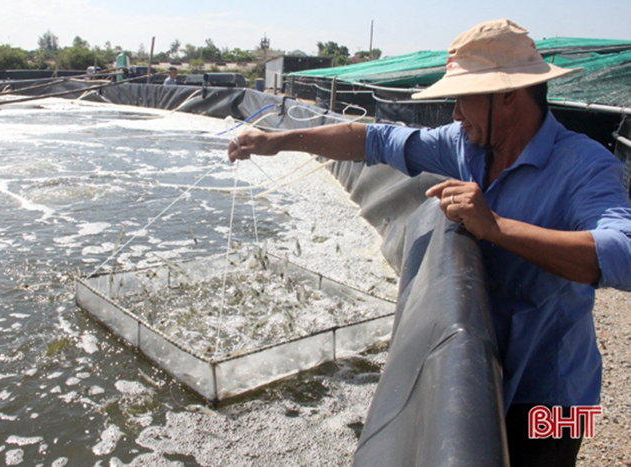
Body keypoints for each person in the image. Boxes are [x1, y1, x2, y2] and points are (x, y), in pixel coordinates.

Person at [227, 19, 631, 466]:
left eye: (463, 98)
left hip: (558, 395)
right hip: (488, 367)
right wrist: (277, 140)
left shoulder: (584, 165)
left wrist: (494, 226)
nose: (456, 113)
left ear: (509, 95)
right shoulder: (467, 146)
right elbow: (373, 138)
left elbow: (623, 255)